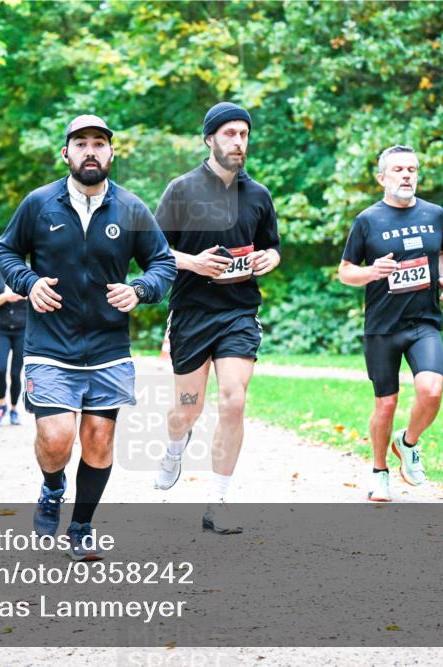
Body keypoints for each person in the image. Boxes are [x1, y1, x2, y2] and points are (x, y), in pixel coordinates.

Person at [0, 114, 176, 560]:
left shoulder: (131, 209)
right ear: (66, 153)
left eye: (99, 143)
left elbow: (163, 264)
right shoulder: (39, 204)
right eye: (81, 144)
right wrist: (28, 282)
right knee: (57, 439)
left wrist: (140, 290)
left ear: (111, 153)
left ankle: (81, 527)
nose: (90, 151)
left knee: (98, 440)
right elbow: (5, 252)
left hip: (108, 347)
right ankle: (53, 486)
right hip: (50, 345)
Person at [152, 102, 281, 535]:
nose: (238, 142)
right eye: (229, 134)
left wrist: (269, 258)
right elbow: (154, 253)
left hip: (239, 312)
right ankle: (175, 446)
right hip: (191, 313)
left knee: (234, 400)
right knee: (186, 410)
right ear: (210, 139)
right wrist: (193, 263)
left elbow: (273, 246)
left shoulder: (259, 195)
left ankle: (219, 501)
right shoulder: (182, 190)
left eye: (244, 134)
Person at [338, 144, 443, 502]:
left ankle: (407, 443)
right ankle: (379, 472)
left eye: (412, 170)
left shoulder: (435, 214)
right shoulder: (368, 220)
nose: (407, 175)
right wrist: (372, 272)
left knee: (431, 391)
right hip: (382, 327)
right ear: (382, 178)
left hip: (424, 322)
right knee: (385, 404)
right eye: (398, 170)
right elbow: (345, 272)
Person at [0, 262, 27, 426]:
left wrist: (21, 294)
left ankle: (14, 409)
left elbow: (37, 295)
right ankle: (2, 404)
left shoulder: (28, 269)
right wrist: (5, 297)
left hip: (22, 328)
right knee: (1, 369)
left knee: (16, 373)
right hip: (0, 328)